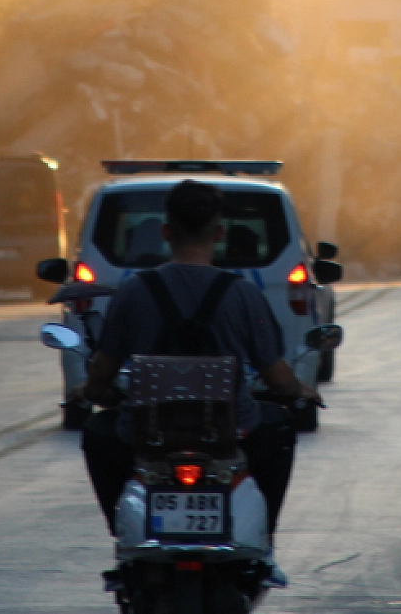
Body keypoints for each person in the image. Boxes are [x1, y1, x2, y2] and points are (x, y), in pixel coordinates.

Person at [79, 180, 315, 557]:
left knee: (96, 431)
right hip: (229, 431)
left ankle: (123, 531)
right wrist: (301, 390)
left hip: (147, 432)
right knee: (280, 426)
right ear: (218, 233)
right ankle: (264, 538)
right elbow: (278, 377)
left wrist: (88, 391)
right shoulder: (244, 295)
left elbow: (101, 374)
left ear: (165, 232)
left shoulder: (132, 293)